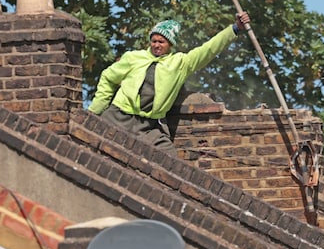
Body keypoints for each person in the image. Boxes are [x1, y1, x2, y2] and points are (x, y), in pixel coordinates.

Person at [87, 12, 251, 156]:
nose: (156, 45)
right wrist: (95, 109)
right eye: (154, 41)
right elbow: (108, 77)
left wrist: (235, 28)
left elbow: (208, 50)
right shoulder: (133, 57)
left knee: (168, 159)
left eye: (161, 42)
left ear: (170, 44)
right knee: (91, 145)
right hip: (118, 116)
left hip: (148, 126)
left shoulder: (179, 63)